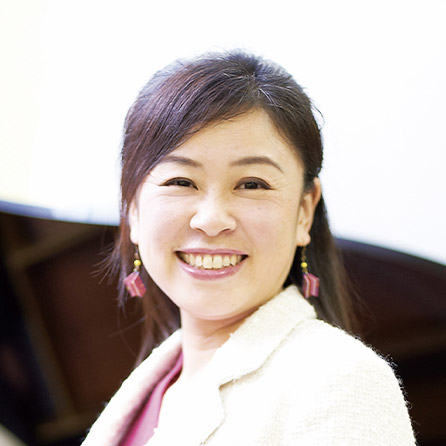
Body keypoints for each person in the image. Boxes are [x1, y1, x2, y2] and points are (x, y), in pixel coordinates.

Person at [81, 51, 416, 445]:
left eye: (252, 184)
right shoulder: (153, 386)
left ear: (304, 211)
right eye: (181, 182)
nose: (211, 219)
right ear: (133, 208)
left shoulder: (340, 380)